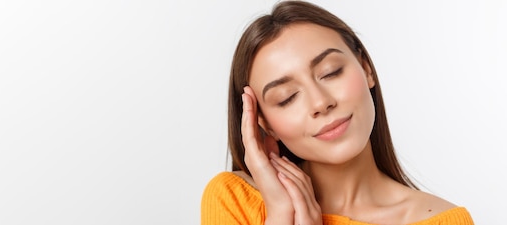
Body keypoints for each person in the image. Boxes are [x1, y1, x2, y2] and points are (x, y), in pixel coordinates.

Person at [200, 1, 474, 224]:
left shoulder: (445, 221)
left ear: (366, 68)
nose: (321, 103)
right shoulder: (234, 200)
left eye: (331, 72)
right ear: (265, 124)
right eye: (287, 98)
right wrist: (281, 216)